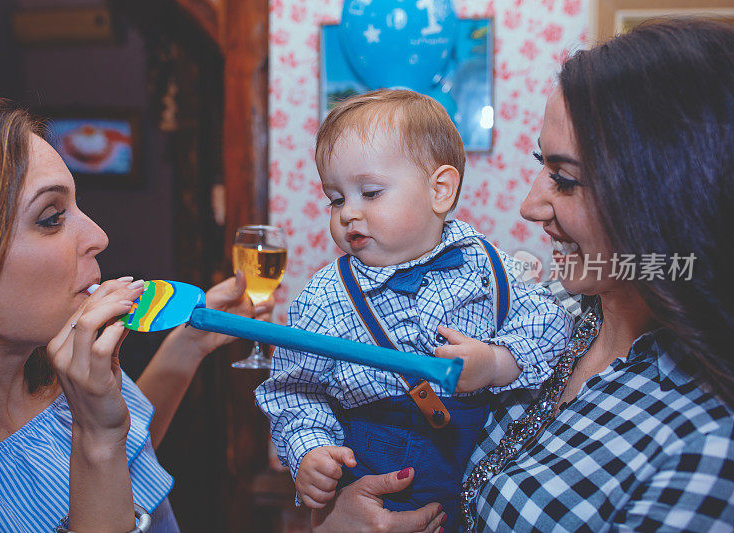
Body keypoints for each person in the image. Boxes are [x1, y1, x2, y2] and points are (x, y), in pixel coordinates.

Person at [310, 18, 734, 532]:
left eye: (565, 179)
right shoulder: (544, 304)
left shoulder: (705, 440)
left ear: (670, 193)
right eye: (541, 165)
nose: (529, 205)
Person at [0, 90, 272, 532]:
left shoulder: (66, 372)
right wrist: (97, 438)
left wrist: (186, 346)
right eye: (51, 217)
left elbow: (130, 455)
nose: (99, 235)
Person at [255, 89, 572, 528]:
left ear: (439, 190)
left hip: (468, 487)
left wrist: (497, 362)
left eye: (369, 192)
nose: (348, 214)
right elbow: (293, 389)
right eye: (337, 198)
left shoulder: (487, 265)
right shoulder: (325, 296)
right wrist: (309, 451)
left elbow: (551, 323)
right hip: (368, 475)